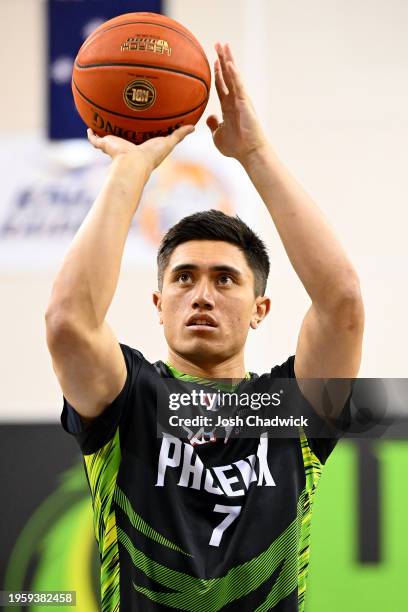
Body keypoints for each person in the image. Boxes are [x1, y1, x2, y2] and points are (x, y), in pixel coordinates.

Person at [45, 42, 364, 612]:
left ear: (260, 309)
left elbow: (341, 302)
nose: (202, 295)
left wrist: (255, 152)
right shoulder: (129, 400)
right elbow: (68, 322)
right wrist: (132, 167)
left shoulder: (291, 408)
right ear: (158, 303)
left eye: (225, 280)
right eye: (185, 278)